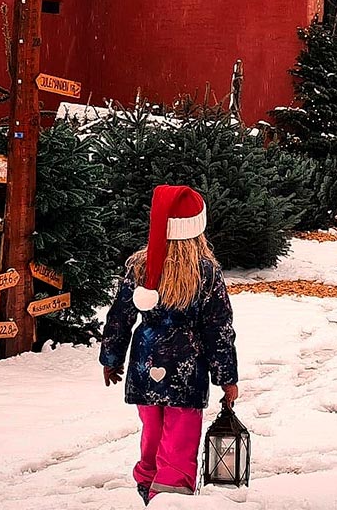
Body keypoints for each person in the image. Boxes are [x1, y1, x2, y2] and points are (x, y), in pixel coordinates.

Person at [100, 185, 239, 505]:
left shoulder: (140, 265)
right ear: (197, 229)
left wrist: (111, 357)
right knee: (180, 433)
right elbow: (218, 329)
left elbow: (120, 315)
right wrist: (227, 377)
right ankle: (171, 490)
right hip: (186, 368)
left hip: (144, 363)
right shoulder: (206, 272)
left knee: (151, 428)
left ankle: (147, 478)